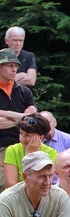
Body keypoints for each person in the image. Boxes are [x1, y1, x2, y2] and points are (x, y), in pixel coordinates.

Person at [0, 48, 36, 191]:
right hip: (1, 146)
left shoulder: (24, 91)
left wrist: (6, 114)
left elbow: (33, 122)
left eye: (16, 66)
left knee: (29, 184)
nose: (14, 69)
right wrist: (22, 116)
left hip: (25, 145)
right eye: (10, 65)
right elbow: (27, 119)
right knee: (5, 186)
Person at [4, 113, 58, 188]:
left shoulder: (51, 153)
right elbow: (11, 184)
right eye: (21, 134)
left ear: (40, 137)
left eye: (27, 135)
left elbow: (44, 182)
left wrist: (31, 154)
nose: (22, 139)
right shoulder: (12, 150)